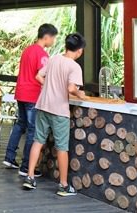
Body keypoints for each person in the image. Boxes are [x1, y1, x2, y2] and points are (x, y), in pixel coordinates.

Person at [23, 33, 87, 196]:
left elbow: (39, 76)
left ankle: (29, 177)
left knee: (38, 141)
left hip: (43, 105)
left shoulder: (54, 59)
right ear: (79, 51)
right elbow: (71, 88)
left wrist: (50, 88)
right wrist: (81, 94)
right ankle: (64, 185)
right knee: (62, 148)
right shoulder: (74, 66)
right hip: (59, 110)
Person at [4, 23, 58, 177]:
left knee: (20, 125)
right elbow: (43, 76)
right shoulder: (42, 55)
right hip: (32, 95)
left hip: (20, 92)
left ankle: (9, 157)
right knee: (32, 131)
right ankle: (26, 166)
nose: (53, 41)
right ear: (47, 37)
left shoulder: (27, 50)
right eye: (53, 38)